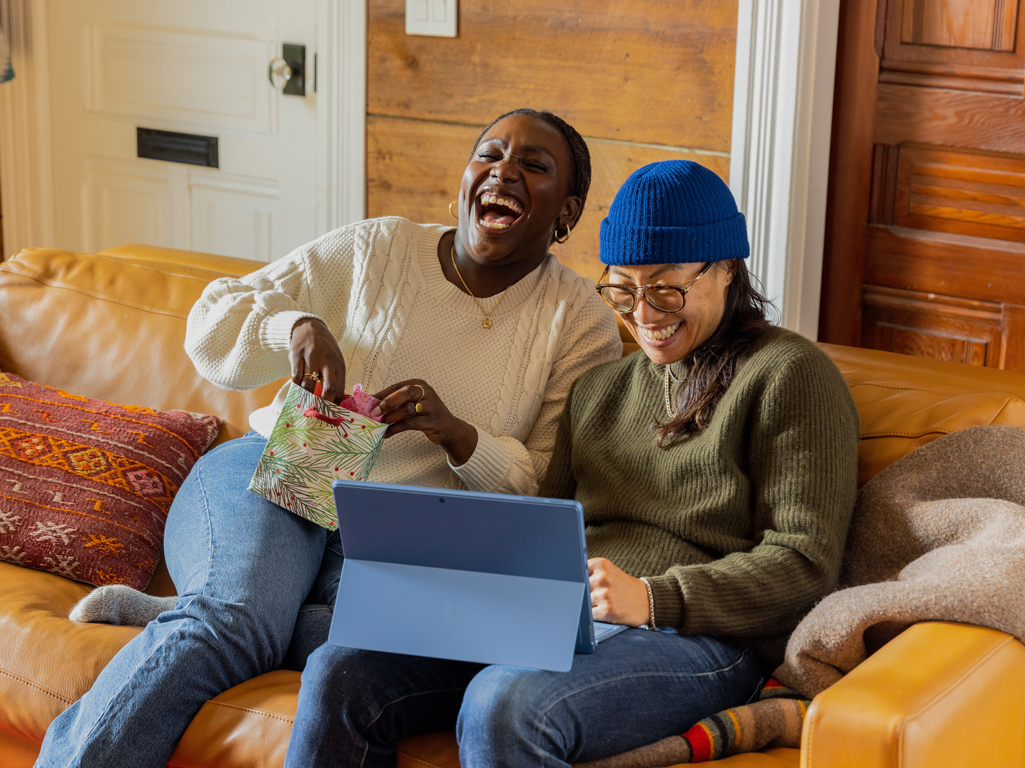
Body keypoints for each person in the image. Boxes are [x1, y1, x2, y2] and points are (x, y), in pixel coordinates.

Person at [34, 108, 622, 768]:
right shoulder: (378, 248)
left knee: (376, 643)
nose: (503, 171)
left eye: (533, 166)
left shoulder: (582, 326)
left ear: (565, 212)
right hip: (285, 464)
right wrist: (295, 327)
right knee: (231, 626)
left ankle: (185, 610)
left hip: (405, 534)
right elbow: (212, 318)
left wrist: (461, 438)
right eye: (489, 154)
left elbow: (548, 484)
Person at [281, 160, 860, 768]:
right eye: (623, 289)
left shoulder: (790, 374)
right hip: (561, 617)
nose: (644, 314)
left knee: (505, 702)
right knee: (339, 667)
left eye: (666, 288)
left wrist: (656, 599)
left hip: (700, 637)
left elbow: (804, 563)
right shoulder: (599, 390)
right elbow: (543, 526)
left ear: (725, 270)